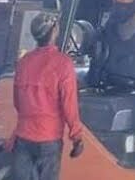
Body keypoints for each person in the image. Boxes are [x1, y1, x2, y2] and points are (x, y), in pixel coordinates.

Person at [9, 11, 84, 180]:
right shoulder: (63, 63)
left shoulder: (23, 62)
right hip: (49, 139)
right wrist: (76, 136)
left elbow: (17, 102)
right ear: (55, 31)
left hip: (23, 137)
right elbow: (69, 104)